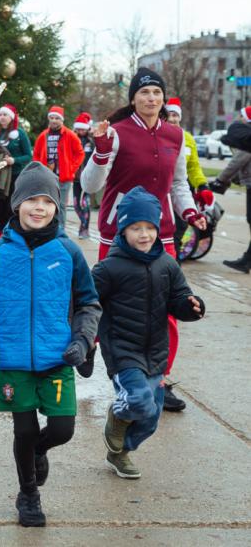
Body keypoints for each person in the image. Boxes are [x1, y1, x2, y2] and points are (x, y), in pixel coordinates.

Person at [0, 162, 101, 527]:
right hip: (12, 360)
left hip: (58, 357)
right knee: (22, 430)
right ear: (18, 203)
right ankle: (29, 495)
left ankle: (40, 450)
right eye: (31, 200)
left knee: (62, 429)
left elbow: (88, 304)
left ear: (57, 206)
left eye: (47, 201)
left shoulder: (68, 253)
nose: (39, 208)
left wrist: (82, 342)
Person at [80, 68, 204, 413]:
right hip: (118, 233)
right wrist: (101, 150)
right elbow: (90, 185)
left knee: (166, 310)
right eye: (144, 92)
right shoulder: (116, 133)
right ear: (133, 98)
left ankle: (159, 379)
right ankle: (89, 341)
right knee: (107, 301)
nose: (151, 98)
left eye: (156, 93)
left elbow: (178, 185)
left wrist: (190, 213)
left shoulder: (175, 136)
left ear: (163, 99)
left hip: (161, 233)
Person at [92, 187, 204, 479]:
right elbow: (87, 304)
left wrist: (191, 307)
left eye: (150, 228)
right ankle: (117, 415)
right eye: (135, 227)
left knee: (151, 418)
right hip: (122, 350)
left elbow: (180, 298)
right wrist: (85, 338)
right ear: (123, 230)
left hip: (155, 351)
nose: (144, 234)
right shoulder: (108, 268)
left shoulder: (167, 264)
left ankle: (120, 452)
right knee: (138, 399)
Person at [165, 98, 215, 255]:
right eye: (169, 115)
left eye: (175, 115)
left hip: (181, 189)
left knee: (178, 232)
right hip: (162, 190)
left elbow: (193, 167)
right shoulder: (159, 135)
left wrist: (202, 186)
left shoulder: (188, 139)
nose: (172, 119)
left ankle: (173, 267)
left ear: (180, 117)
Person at [211, 105, 251, 272]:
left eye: (241, 116)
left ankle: (246, 261)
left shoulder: (246, 138)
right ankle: (247, 260)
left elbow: (237, 162)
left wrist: (221, 180)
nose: (238, 119)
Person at [32, 106, 84, 227]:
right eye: (52, 117)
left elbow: (80, 153)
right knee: (47, 203)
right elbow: (36, 153)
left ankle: (60, 232)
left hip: (64, 177)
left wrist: (72, 168)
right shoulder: (43, 135)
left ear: (62, 120)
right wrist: (38, 168)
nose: (54, 120)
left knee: (60, 205)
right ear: (49, 119)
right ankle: (47, 229)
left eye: (57, 118)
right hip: (46, 176)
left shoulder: (70, 135)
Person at [0, 104, 32, 237]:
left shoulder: (20, 134)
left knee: (10, 207)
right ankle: (0, 231)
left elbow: (28, 156)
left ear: (11, 117)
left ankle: (11, 233)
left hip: (15, 176)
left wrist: (14, 160)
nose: (1, 117)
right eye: (0, 115)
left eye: (5, 115)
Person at [71, 112, 95, 239]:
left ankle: (84, 229)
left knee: (85, 203)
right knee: (75, 204)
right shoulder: (73, 139)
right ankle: (83, 223)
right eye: (78, 128)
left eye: (83, 128)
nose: (80, 131)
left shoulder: (92, 141)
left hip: (88, 176)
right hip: (75, 176)